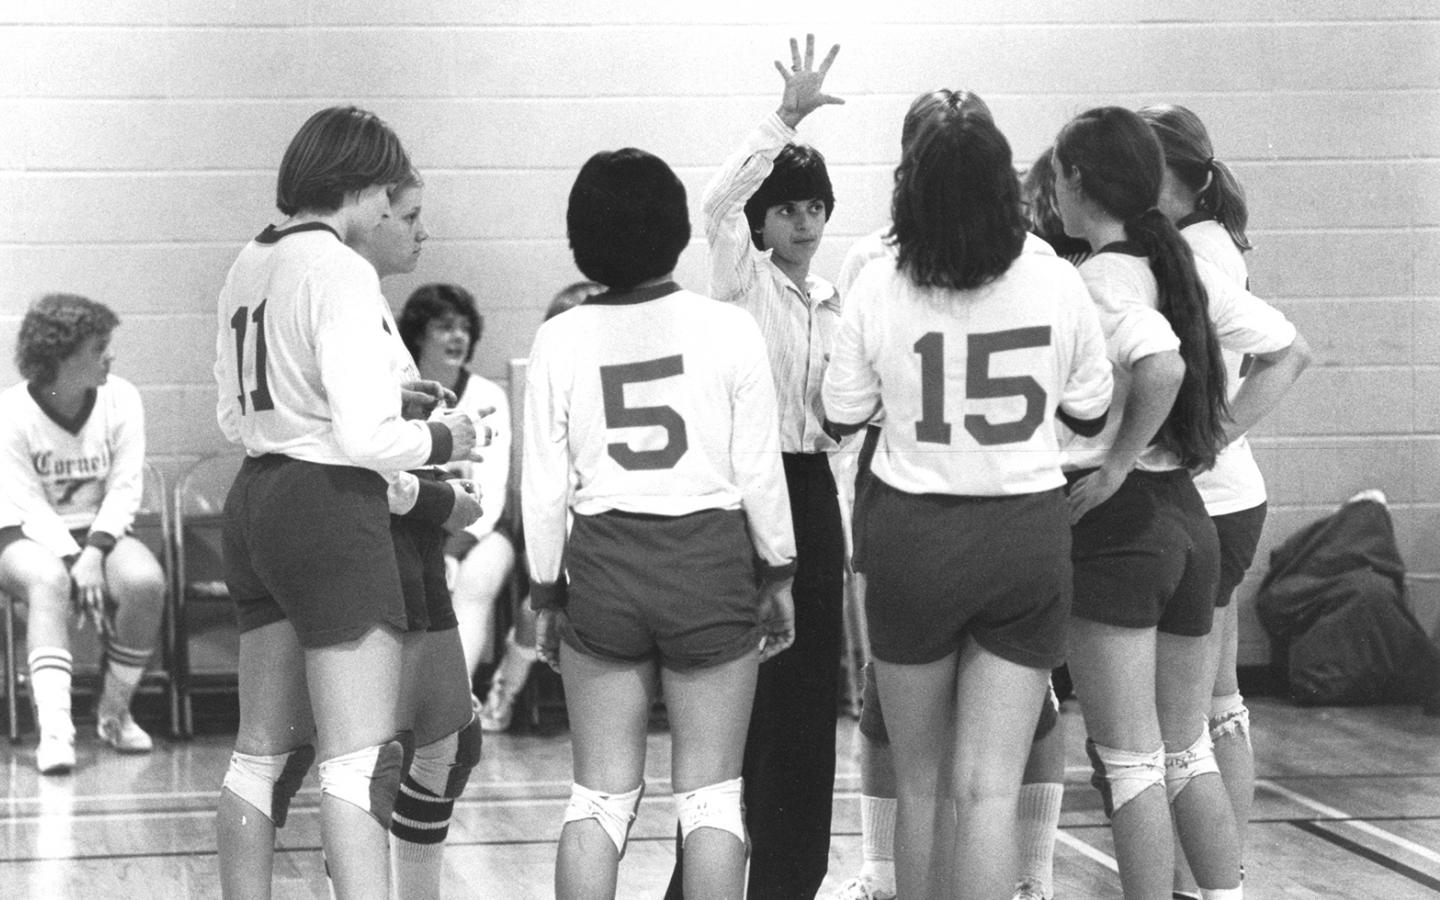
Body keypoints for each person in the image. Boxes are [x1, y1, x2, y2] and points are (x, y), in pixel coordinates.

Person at [823, 103, 1112, 900]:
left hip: (915, 536)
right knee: (988, 789)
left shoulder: (877, 281)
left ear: (908, 185)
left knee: (918, 784)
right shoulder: (1056, 275)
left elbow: (840, 413)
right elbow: (1089, 410)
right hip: (1025, 534)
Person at [212, 106, 478, 900]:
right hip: (328, 505)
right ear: (361, 185)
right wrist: (447, 440)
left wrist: (368, 400)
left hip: (255, 497)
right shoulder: (340, 268)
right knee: (362, 764)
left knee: (257, 756)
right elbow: (366, 440)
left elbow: (234, 417)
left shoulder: (246, 262)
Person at [522, 146, 797, 900]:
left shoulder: (559, 338)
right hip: (709, 567)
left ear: (581, 237)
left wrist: (546, 595)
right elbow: (759, 475)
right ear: (678, 231)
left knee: (599, 799)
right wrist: (778, 574)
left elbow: (543, 490)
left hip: (605, 569)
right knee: (710, 796)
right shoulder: (728, 329)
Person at [664, 35, 844, 900]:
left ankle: (790, 880)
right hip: (743, 491)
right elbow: (716, 202)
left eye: (816, 208)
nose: (804, 223)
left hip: (814, 490)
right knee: (738, 702)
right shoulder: (740, 279)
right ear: (764, 222)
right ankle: (696, 878)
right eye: (790, 209)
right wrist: (786, 119)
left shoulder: (839, 298)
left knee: (811, 701)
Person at [1051, 105, 1244, 900]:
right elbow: (1280, 343)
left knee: (1130, 760)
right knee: (1184, 749)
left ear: (1078, 182)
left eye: (1058, 176)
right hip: (1187, 517)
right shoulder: (1174, 261)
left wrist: (1115, 466)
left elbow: (1159, 367)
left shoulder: (1095, 278)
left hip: (1125, 525)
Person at [1138, 103, 1312, 900]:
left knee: (1198, 712)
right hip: (1220, 495)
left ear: (1175, 175)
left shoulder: (1193, 255)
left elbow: (1286, 354)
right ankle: (1213, 872)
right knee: (1216, 701)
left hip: (1207, 496)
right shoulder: (1204, 243)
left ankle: (1206, 875)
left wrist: (1210, 434)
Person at [348, 170, 488, 900]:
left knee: (446, 744)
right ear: (368, 214)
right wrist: (437, 498)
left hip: (410, 537)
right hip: (381, 536)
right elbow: (357, 450)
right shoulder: (336, 292)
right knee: (377, 755)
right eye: (410, 216)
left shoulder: (361, 297)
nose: (423, 231)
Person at [0, 294, 167, 775]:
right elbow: (27, 502)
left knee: (144, 582)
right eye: (98, 348)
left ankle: (113, 714)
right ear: (59, 355)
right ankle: (55, 732)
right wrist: (75, 558)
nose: (109, 357)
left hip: (99, 533)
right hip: (23, 532)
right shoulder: (11, 411)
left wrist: (93, 553)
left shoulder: (123, 397)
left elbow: (124, 487)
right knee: (48, 582)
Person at [470, 279, 608, 733]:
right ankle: (504, 692)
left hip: (620, 532)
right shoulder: (549, 394)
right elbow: (543, 493)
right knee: (539, 606)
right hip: (560, 531)